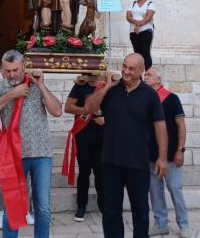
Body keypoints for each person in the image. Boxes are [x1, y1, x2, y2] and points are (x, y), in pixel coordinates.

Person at [83, 53, 167, 238]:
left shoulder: (150, 95)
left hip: (138, 162)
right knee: (111, 211)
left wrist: (162, 157)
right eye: (124, 66)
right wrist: (105, 87)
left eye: (131, 68)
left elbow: (160, 126)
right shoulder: (112, 90)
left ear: (141, 72)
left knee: (140, 211)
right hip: (110, 161)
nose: (126, 71)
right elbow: (88, 107)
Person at [0, 50, 62, 238]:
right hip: (14, 154)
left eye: (15, 70)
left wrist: (41, 86)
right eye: (7, 71)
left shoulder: (35, 85)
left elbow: (57, 111)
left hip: (41, 153)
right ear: (1, 71)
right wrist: (12, 94)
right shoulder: (0, 88)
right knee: (13, 204)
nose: (11, 75)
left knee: (42, 206)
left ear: (23, 67)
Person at [144, 67, 189, 237]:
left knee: (175, 189)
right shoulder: (145, 99)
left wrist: (180, 150)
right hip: (150, 155)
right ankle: (161, 223)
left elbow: (181, 125)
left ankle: (184, 224)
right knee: (155, 192)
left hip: (171, 155)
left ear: (159, 80)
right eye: (145, 74)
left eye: (149, 75)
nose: (145, 77)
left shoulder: (171, 98)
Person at [63, 75, 105, 222]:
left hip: (103, 136)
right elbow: (68, 107)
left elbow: (117, 108)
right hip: (83, 135)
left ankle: (103, 205)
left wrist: (106, 118)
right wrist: (87, 110)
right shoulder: (80, 86)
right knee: (84, 171)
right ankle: (81, 206)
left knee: (101, 172)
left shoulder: (107, 85)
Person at [126, 0, 155, 70]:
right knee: (137, 53)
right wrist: (135, 22)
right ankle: (137, 75)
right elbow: (128, 16)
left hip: (146, 30)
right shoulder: (133, 4)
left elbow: (148, 16)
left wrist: (138, 25)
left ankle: (148, 73)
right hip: (133, 31)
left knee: (145, 52)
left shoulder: (150, 3)